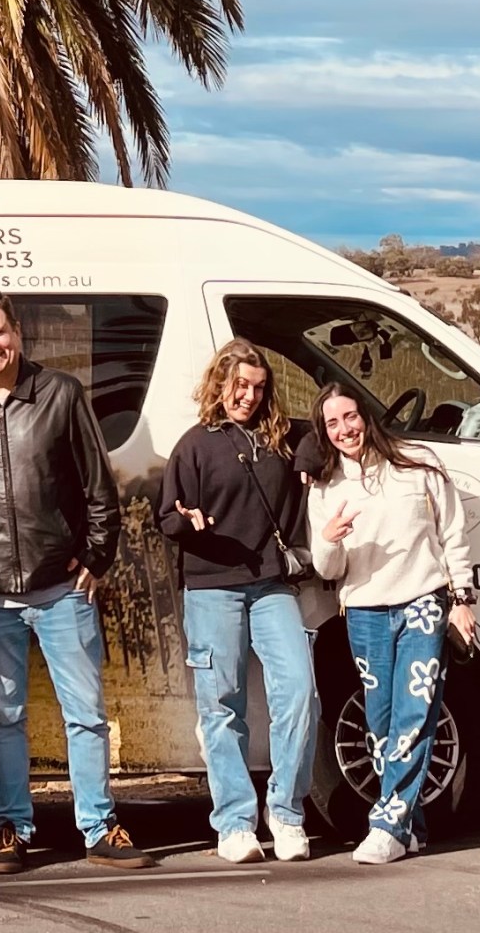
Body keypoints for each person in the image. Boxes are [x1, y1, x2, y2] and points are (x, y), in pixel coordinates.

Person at [0, 290, 151, 873]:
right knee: (3, 717)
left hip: (63, 588)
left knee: (84, 712)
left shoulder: (59, 394)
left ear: (18, 333)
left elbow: (97, 485)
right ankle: (12, 828)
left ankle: (99, 825)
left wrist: (97, 555)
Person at [155, 340, 319, 866]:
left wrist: (313, 461)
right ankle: (234, 823)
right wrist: (187, 522)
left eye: (257, 387)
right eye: (238, 386)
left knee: (299, 692)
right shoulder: (195, 444)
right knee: (222, 706)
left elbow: (324, 435)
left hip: (272, 585)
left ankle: (287, 814)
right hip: (210, 587)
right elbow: (167, 518)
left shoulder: (283, 436)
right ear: (219, 385)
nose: (247, 396)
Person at [305, 388, 477, 867]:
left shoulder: (419, 465)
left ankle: (386, 826)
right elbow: (328, 568)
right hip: (364, 612)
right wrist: (329, 540)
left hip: (423, 602)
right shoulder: (325, 488)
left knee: (415, 716)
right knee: (379, 724)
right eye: (333, 423)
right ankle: (412, 825)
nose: (344, 430)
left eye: (350, 416)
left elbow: (453, 533)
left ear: (367, 415)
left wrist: (461, 599)